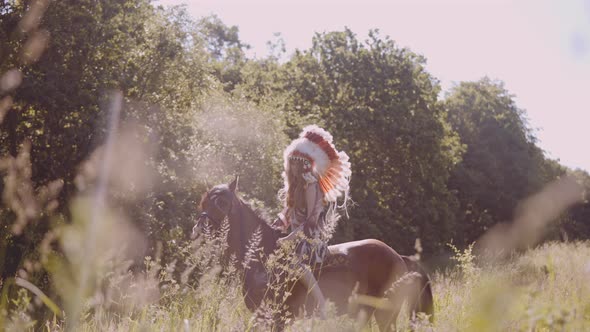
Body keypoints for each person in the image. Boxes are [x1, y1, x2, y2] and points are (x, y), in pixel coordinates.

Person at [276, 125, 351, 319]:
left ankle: (322, 304)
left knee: (295, 264)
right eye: (291, 163)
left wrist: (292, 236)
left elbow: (311, 220)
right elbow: (287, 213)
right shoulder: (294, 187)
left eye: (298, 163)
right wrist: (278, 223)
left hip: (309, 238)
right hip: (292, 235)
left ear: (306, 164)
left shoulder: (311, 185)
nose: (293, 167)